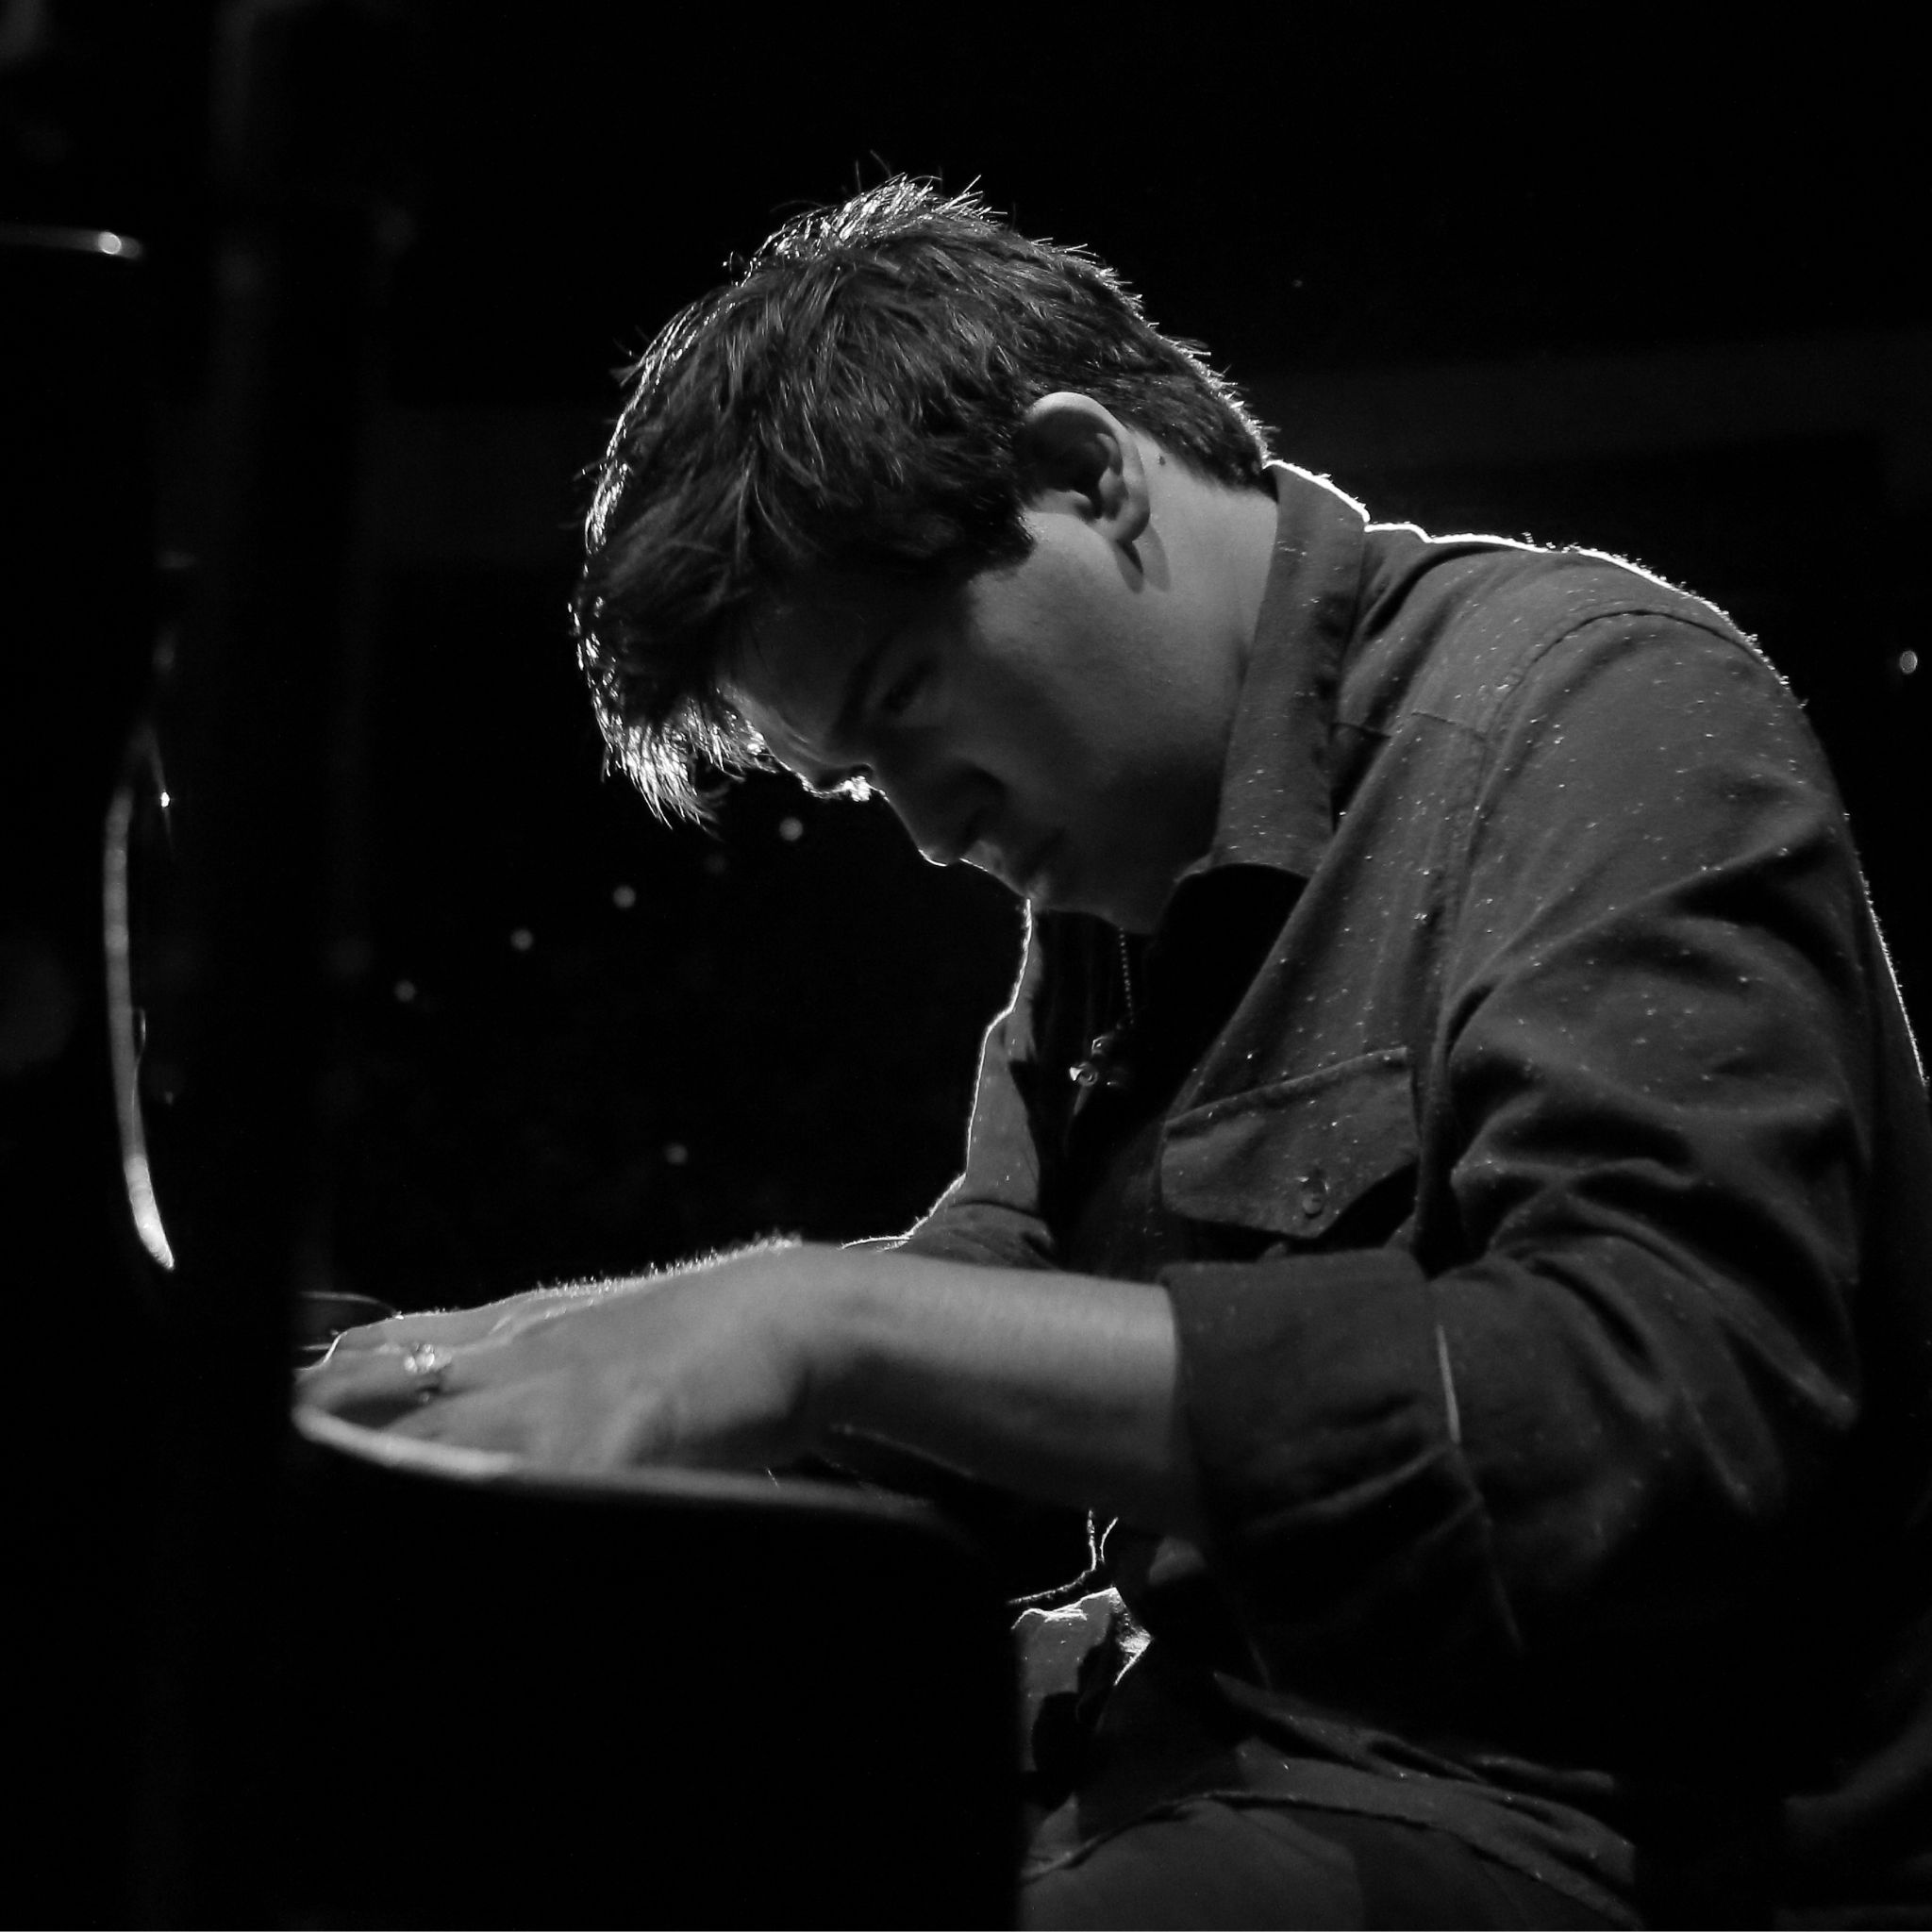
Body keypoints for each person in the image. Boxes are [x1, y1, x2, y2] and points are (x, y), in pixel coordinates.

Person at [303, 181, 1932, 1927]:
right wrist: (493, 1380)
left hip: (1582, 1828)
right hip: (1216, 1757)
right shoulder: (1132, 870)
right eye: (855, 784)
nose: (929, 835)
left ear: (1088, 476)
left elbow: (1648, 1415)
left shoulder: (1597, 708)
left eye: (905, 700)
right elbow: (990, 1308)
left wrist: (816, 1320)